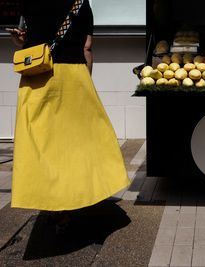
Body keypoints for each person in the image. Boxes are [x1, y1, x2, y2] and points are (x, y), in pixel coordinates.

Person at [8, 0, 130, 230]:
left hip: (37, 77)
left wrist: (21, 40)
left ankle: (54, 206)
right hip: (73, 77)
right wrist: (87, 83)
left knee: (42, 143)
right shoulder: (80, 4)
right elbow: (87, 47)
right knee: (80, 139)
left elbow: (26, 40)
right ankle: (85, 191)